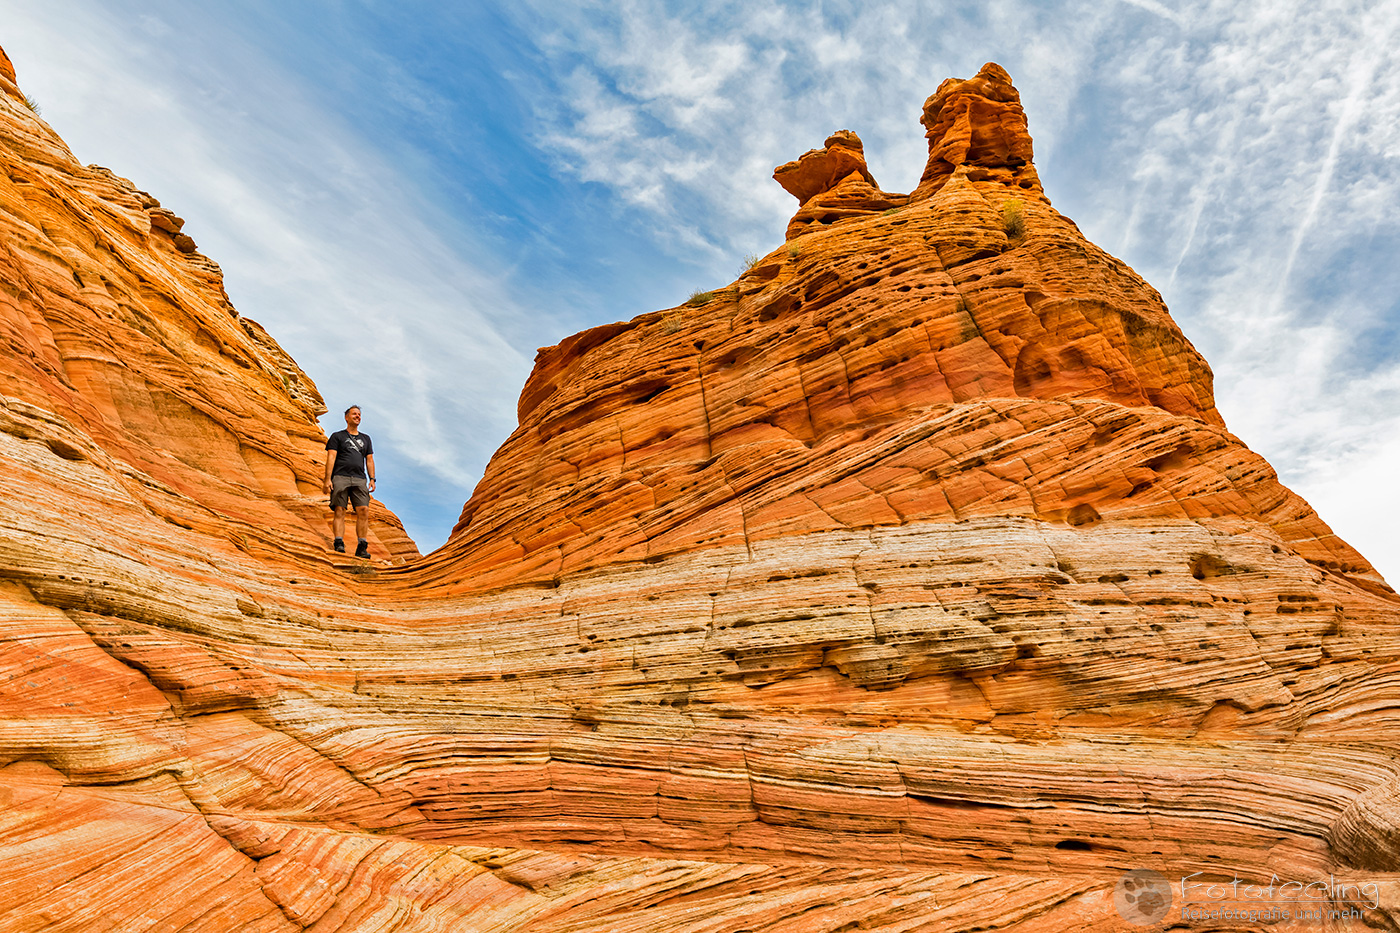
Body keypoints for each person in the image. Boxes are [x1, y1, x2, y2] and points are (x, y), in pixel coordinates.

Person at [323, 405, 376, 558]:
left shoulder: (366, 439)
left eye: (359, 414)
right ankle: (339, 542)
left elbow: (370, 460)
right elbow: (331, 457)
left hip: (360, 478)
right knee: (340, 510)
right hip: (340, 477)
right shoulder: (337, 436)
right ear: (346, 417)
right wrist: (327, 479)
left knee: (363, 511)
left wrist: (372, 478)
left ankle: (362, 546)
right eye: (354, 414)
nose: (357, 416)